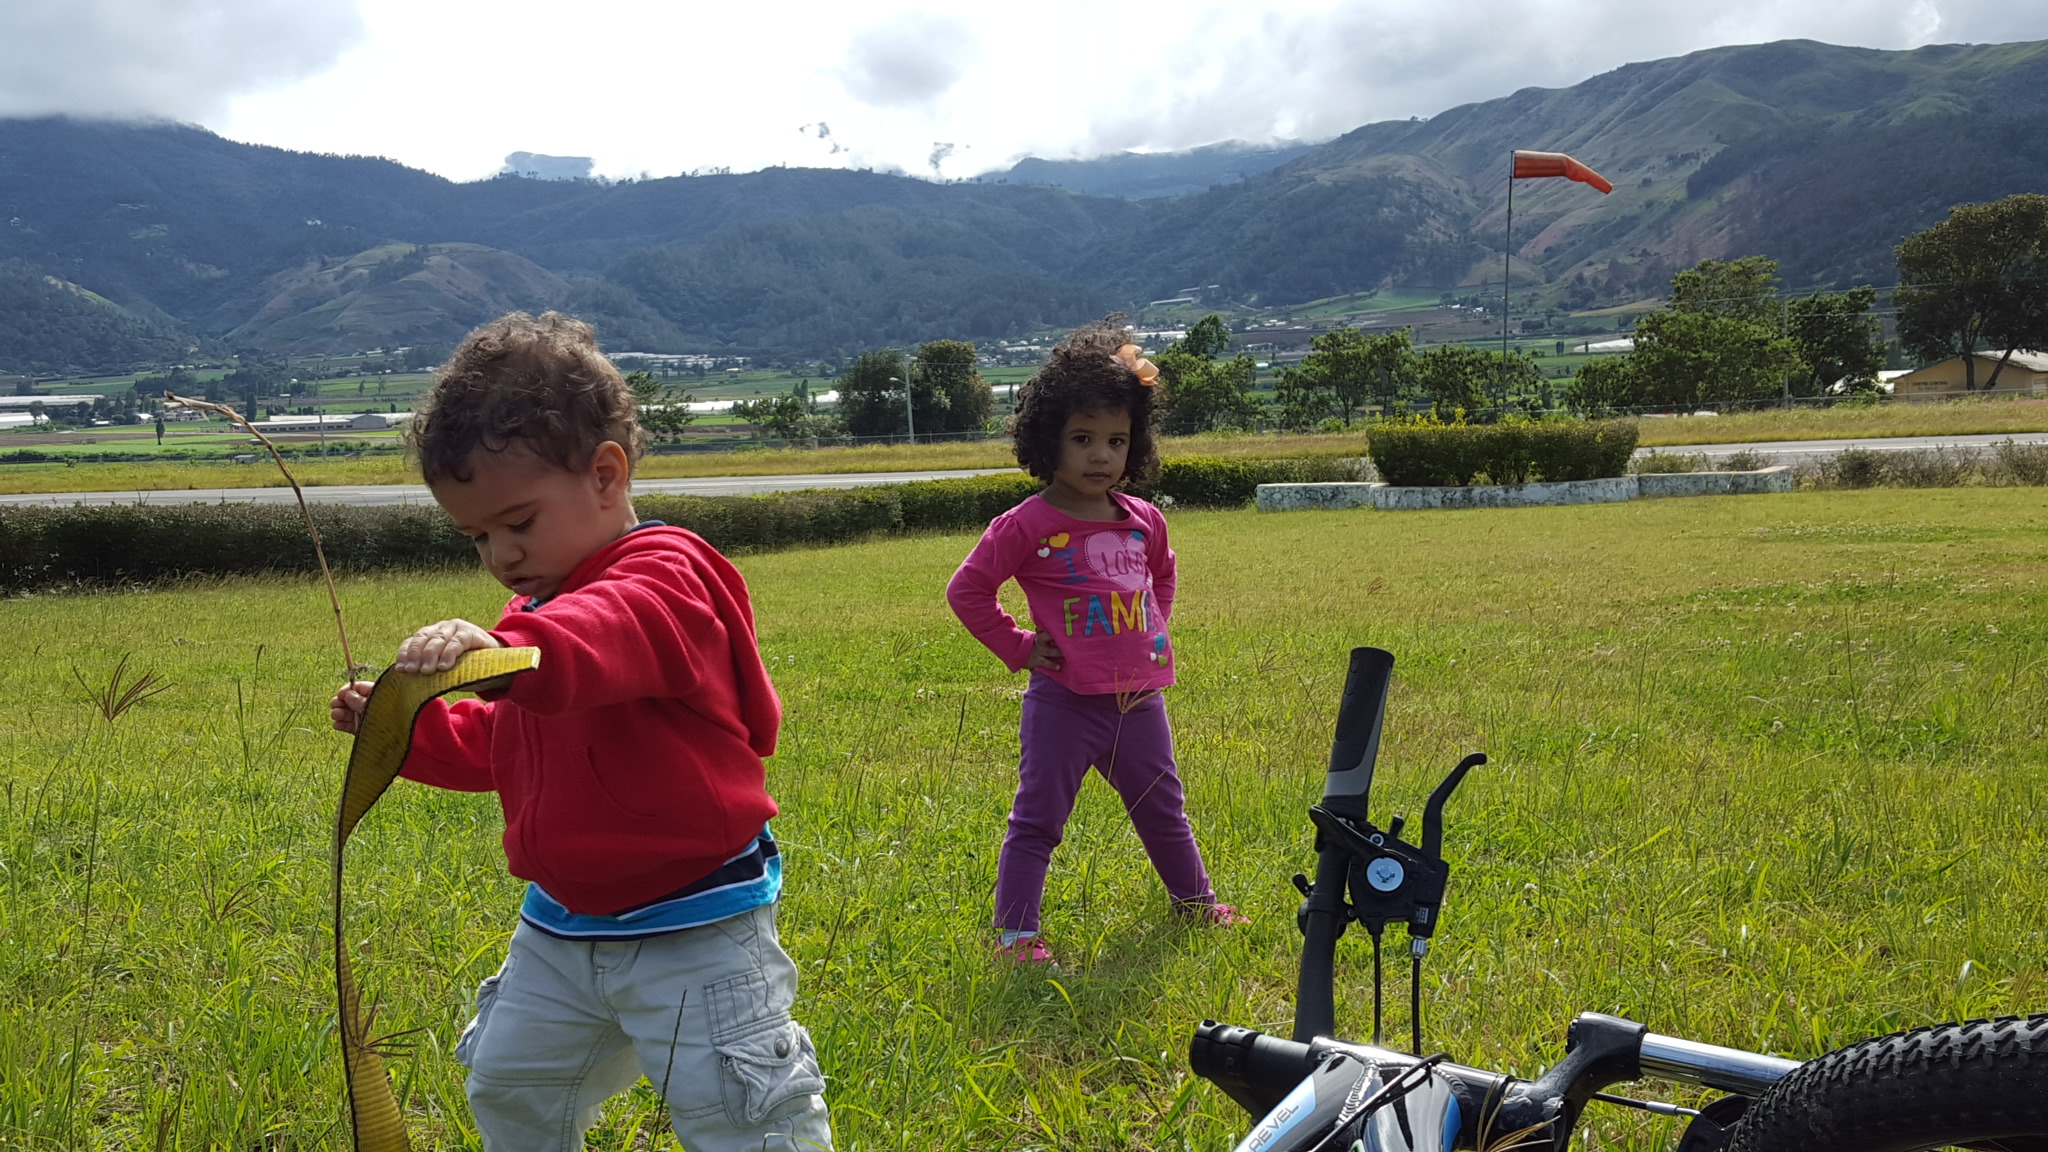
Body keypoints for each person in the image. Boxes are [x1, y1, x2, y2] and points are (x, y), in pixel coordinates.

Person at [327, 312, 830, 1152]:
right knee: (512, 1086)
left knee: (742, 1113)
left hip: (695, 927)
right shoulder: (531, 618)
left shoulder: (670, 576)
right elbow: (504, 746)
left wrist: (508, 651)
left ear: (605, 474)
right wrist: (405, 731)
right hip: (561, 927)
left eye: (518, 523)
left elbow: (609, 633)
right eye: (478, 535)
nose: (500, 553)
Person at [945, 317, 1245, 966]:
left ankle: (1195, 904)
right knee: (1037, 820)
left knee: (1163, 809)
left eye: (1116, 440)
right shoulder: (1025, 525)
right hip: (1064, 702)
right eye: (1082, 439)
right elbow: (967, 592)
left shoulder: (1145, 522)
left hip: (1140, 701)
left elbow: (1160, 577)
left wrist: (1152, 632)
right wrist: (1021, 647)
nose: (1100, 455)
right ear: (1047, 439)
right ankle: (1015, 936)